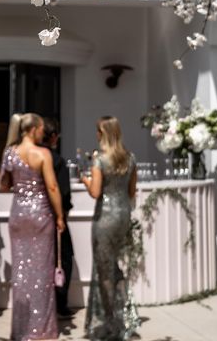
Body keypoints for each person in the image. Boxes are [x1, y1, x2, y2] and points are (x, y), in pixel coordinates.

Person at [0, 112, 65, 341]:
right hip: (40, 215)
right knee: (42, 273)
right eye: (40, 128)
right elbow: (53, 187)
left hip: (18, 214)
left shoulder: (9, 153)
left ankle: (22, 328)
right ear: (34, 129)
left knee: (21, 272)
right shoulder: (43, 153)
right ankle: (41, 329)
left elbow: (3, 186)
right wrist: (60, 216)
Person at [80, 116, 140, 341]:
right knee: (114, 267)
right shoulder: (130, 158)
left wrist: (86, 181)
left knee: (105, 270)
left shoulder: (100, 160)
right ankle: (123, 315)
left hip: (105, 217)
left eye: (98, 131)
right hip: (123, 215)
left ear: (103, 134)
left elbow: (96, 192)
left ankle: (111, 322)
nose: (96, 135)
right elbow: (132, 191)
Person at [40, 117, 75, 319]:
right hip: (54, 216)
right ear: (53, 137)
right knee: (64, 259)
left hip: (35, 214)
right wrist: (62, 215)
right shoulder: (56, 160)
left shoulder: (32, 157)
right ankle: (60, 302)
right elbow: (62, 192)